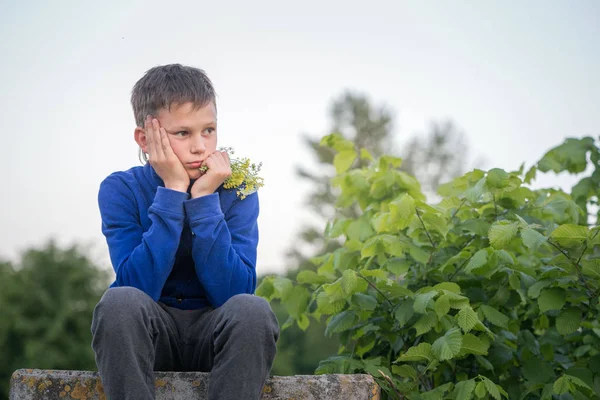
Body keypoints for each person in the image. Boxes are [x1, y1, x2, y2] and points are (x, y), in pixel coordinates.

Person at [91, 63, 279, 400]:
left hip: (216, 335)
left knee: (254, 311)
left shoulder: (239, 190)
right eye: (183, 133)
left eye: (208, 130)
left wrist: (205, 199)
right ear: (145, 138)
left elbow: (234, 291)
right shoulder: (120, 189)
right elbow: (137, 287)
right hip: (150, 333)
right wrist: (173, 190)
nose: (200, 147)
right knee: (117, 303)